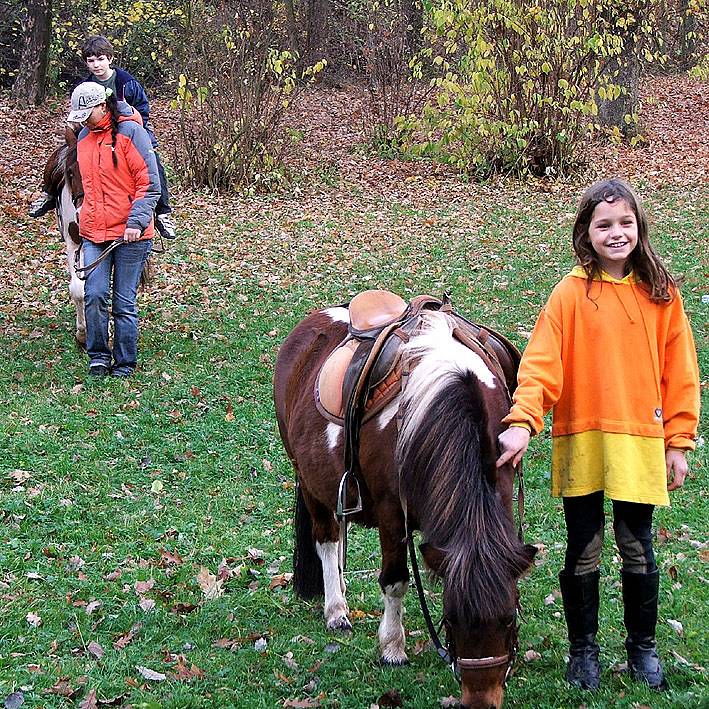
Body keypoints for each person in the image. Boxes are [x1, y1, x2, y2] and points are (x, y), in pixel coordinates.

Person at [496, 178, 700, 692]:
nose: (616, 233)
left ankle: (642, 649)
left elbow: (682, 373)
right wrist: (522, 422)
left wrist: (678, 442)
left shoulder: (661, 294)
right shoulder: (568, 293)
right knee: (583, 549)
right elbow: (541, 364)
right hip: (582, 437)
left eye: (625, 223)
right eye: (604, 224)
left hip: (639, 440)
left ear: (639, 228)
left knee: (637, 546)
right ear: (586, 233)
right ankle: (583, 651)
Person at [29, 35, 176, 239]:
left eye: (100, 59)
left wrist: (131, 126)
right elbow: (78, 111)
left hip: (129, 128)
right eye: (91, 60)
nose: (96, 64)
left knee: (154, 165)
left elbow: (142, 109)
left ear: (110, 59)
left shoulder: (127, 83)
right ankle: (49, 192)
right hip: (94, 130)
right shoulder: (85, 85)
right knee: (64, 156)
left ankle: (162, 212)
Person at [68, 82, 160, 377]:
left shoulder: (132, 133)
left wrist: (136, 222)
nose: (83, 119)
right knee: (93, 294)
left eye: (87, 112)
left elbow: (149, 183)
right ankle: (98, 355)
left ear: (102, 105)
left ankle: (124, 362)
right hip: (95, 232)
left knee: (123, 301)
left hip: (131, 235)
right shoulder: (83, 138)